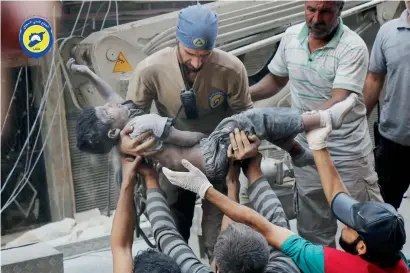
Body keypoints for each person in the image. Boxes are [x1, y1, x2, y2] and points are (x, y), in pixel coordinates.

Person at [162, 120, 410, 273]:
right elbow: (336, 197)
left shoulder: (333, 265)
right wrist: (319, 147)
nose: (344, 223)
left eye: (351, 226)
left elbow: (264, 224)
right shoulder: (398, 262)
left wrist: (209, 189)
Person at [72, 55, 359, 180]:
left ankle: (296, 151)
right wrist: (205, 134)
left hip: (202, 162)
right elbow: (182, 137)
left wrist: (87, 74)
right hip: (206, 155)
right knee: (250, 120)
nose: (110, 106)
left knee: (257, 126)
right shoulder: (142, 125)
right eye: (106, 112)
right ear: (113, 131)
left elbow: (110, 96)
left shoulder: (126, 132)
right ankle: (322, 120)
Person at [249, 0, 383, 246]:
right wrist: (243, 96)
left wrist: (288, 123)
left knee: (367, 232)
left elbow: (338, 99)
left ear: (340, 10)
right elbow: (276, 81)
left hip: (347, 158)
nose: (316, 19)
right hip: (306, 155)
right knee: (314, 235)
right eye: (311, 10)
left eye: (325, 12)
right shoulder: (290, 38)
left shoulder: (352, 47)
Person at [111, 129, 301, 273]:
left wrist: (150, 178)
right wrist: (241, 180)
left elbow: (167, 234)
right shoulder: (286, 266)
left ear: (216, 267)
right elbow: (277, 223)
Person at [362, 1, 410, 210]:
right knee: (382, 214)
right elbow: (374, 79)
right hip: (393, 143)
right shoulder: (388, 32)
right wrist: (359, 125)